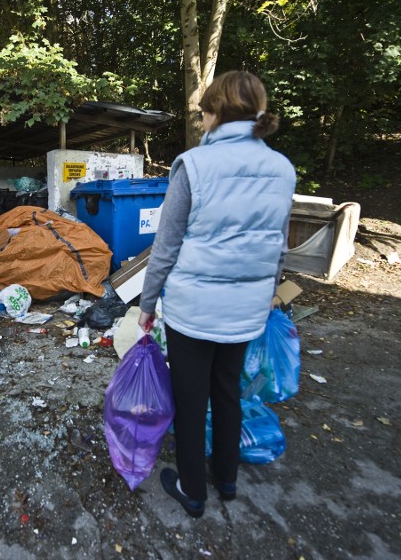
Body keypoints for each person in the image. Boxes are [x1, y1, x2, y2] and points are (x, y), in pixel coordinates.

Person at [138, 70, 296, 518]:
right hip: (247, 310)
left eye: (204, 112)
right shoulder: (282, 169)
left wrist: (147, 306)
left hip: (195, 310)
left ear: (215, 112)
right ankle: (226, 478)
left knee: (190, 398)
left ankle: (192, 490)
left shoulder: (195, 165)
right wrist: (269, 294)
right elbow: (278, 245)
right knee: (228, 392)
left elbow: (165, 246)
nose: (202, 120)